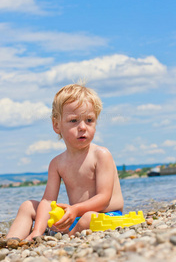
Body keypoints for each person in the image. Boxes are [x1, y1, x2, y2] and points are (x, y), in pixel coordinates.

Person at [6, 83, 124, 240]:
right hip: (75, 215)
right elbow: (48, 200)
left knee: (88, 217)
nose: (82, 127)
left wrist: (75, 209)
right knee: (28, 206)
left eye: (89, 120)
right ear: (56, 125)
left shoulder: (101, 155)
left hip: (106, 214)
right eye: (74, 121)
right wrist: (39, 229)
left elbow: (104, 199)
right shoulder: (57, 163)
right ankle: (13, 241)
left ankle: (67, 237)